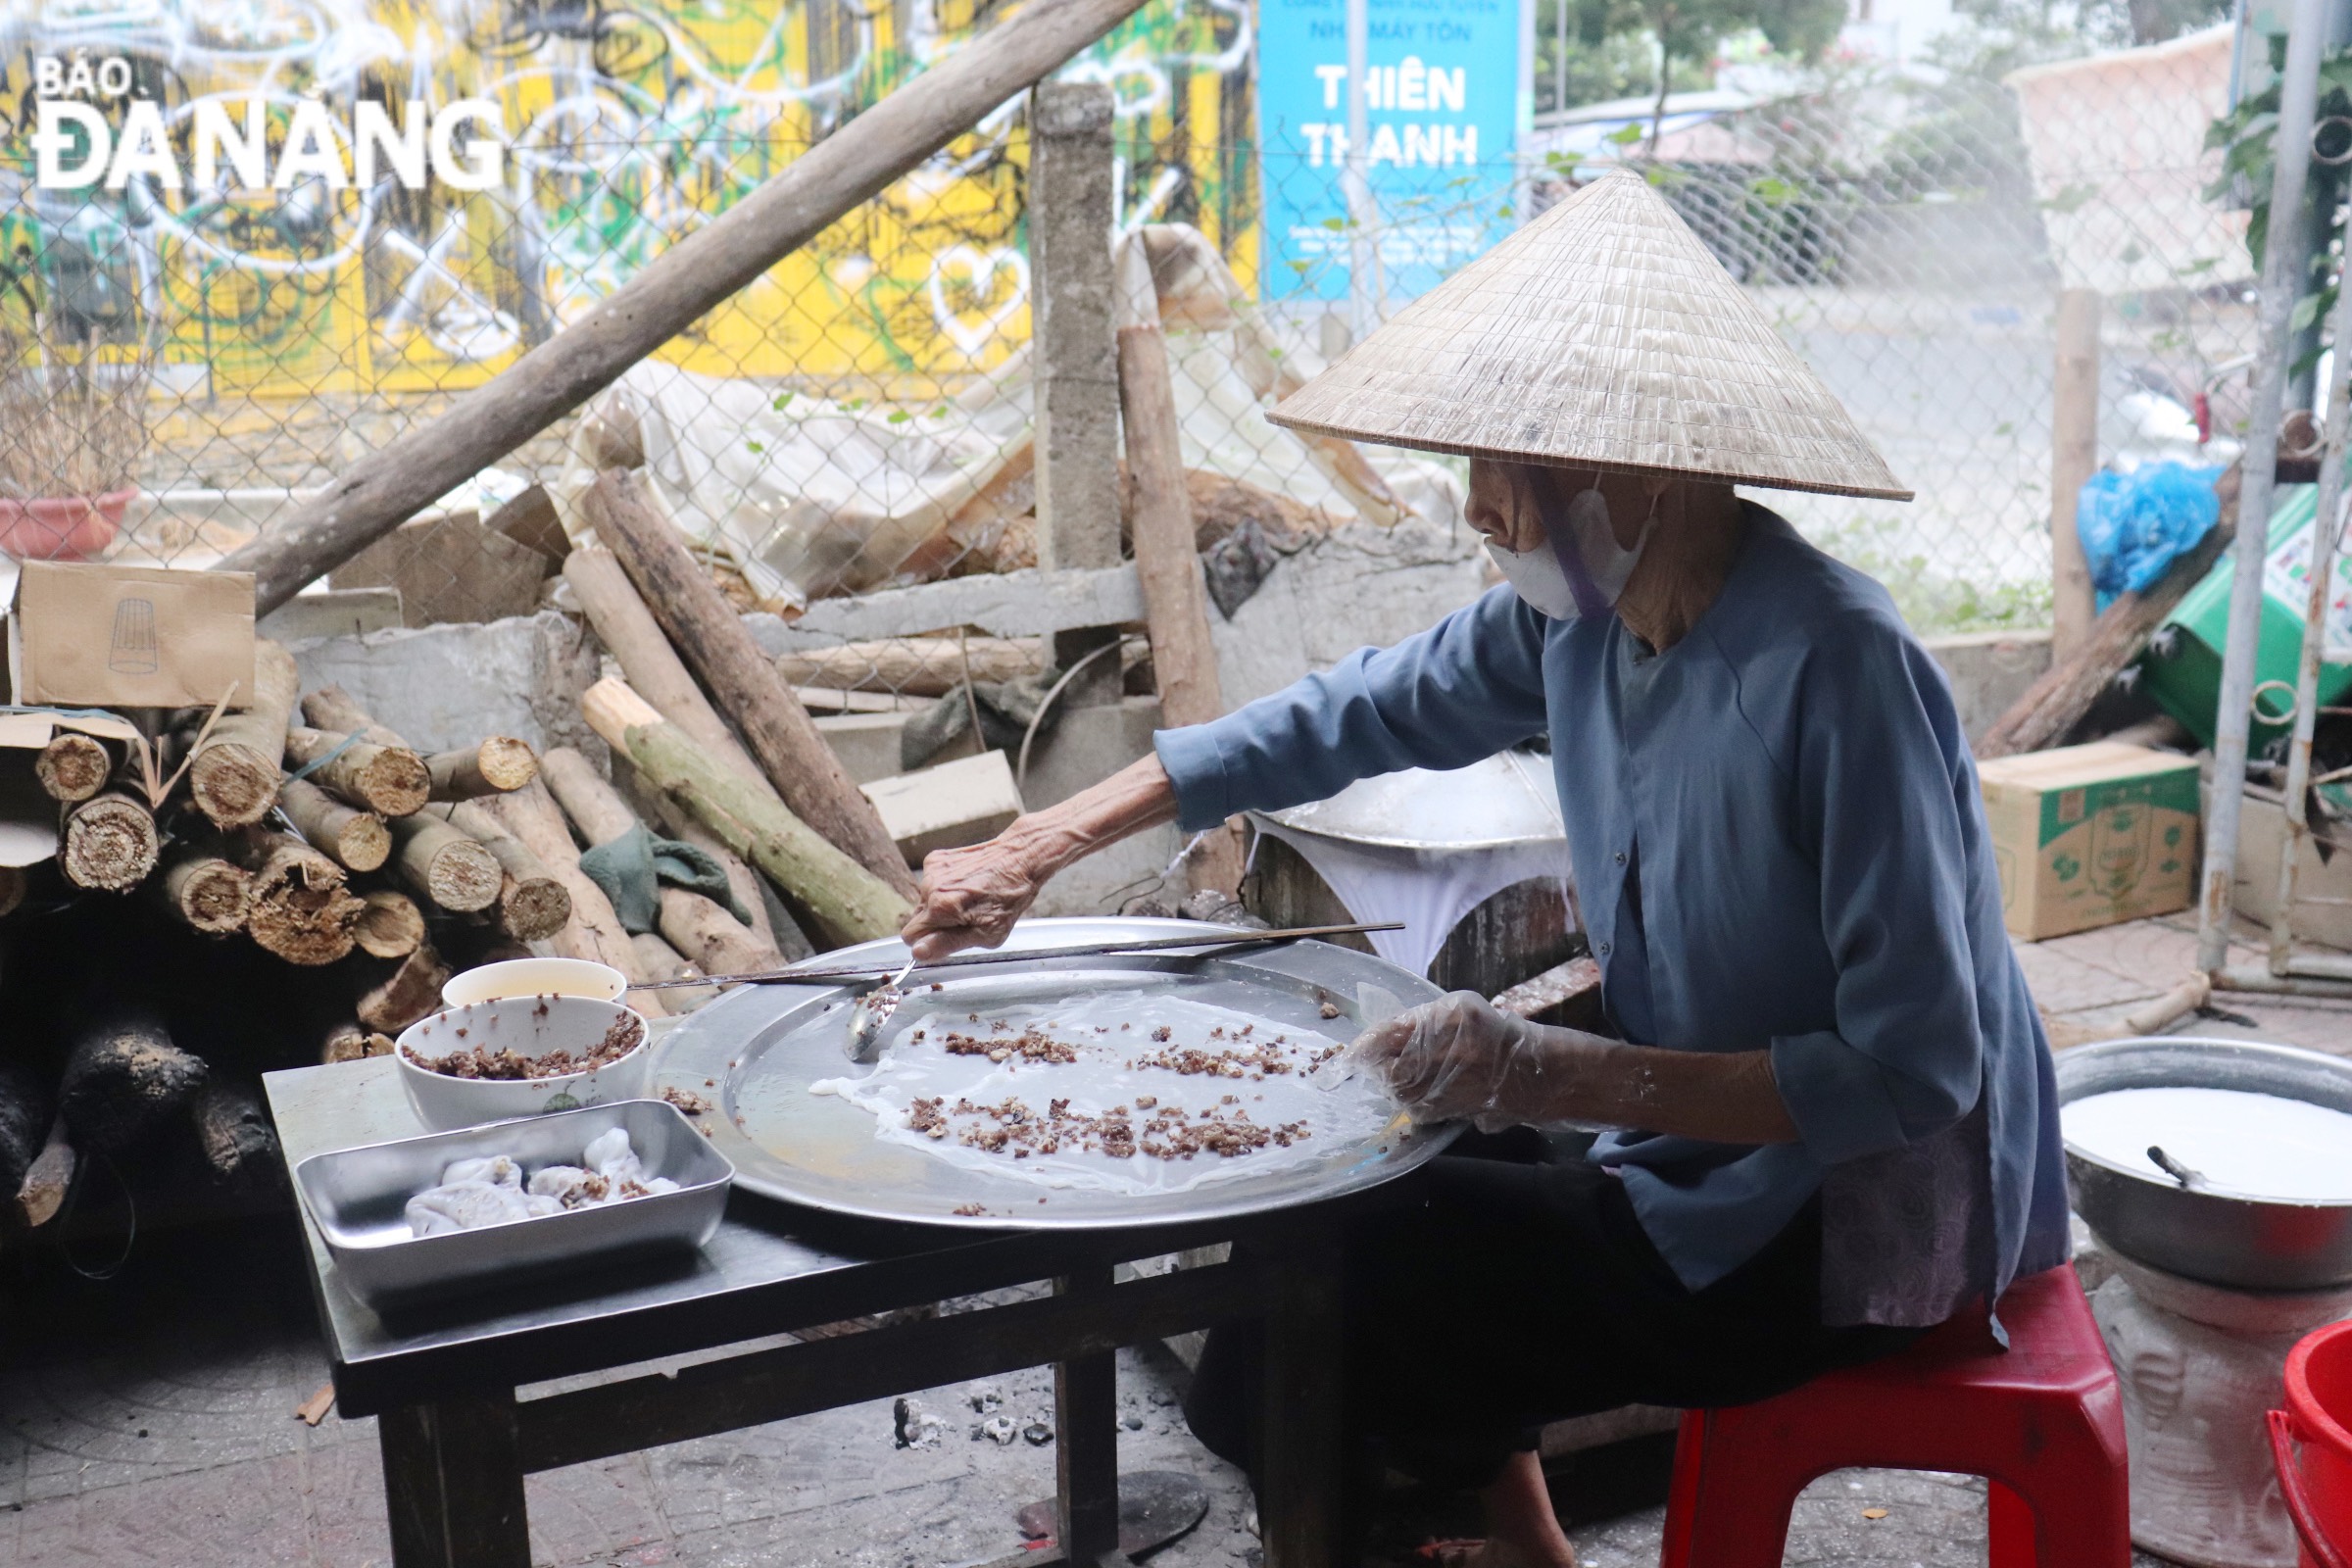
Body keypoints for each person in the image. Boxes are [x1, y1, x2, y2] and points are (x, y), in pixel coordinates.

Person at [899, 172, 2070, 1567]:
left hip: (1843, 1231)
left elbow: (1913, 1071)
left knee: (1357, 1290)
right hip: (1688, 1142)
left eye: (1502, 470)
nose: (1476, 511)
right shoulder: (1583, 622)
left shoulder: (1840, 670)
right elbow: (1348, 713)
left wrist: (1550, 1072)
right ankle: (1526, 1546)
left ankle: (1384, 1533)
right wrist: (1040, 844)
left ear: (1632, 470)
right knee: (1356, 1195)